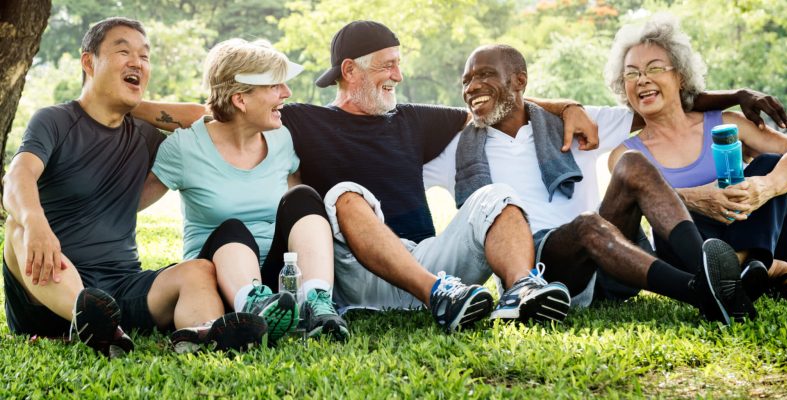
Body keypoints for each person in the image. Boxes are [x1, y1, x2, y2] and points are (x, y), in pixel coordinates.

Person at [133, 20, 615, 331]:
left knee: (497, 195)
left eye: (398, 65)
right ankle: (440, 299)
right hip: (356, 270)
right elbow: (219, 111)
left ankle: (521, 290)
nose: (398, 76)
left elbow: (487, 103)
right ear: (350, 71)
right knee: (342, 193)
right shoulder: (297, 120)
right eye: (388, 65)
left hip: (426, 259)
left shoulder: (413, 117)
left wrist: (565, 105)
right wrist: (122, 103)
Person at [423, 44, 768, 325]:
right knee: (587, 225)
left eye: (484, 75)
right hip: (546, 273)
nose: (471, 87)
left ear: (519, 81)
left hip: (612, 259)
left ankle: (706, 272)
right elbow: (399, 161)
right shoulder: (456, 149)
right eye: (466, 81)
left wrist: (736, 96)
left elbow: (666, 105)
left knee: (633, 164)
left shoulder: (570, 124)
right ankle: (708, 293)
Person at [1, 17, 268, 357]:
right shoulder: (55, 120)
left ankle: (200, 336)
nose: (137, 63)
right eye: (123, 51)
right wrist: (36, 222)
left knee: (198, 271)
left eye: (144, 57)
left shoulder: (144, 137)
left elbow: (217, 118)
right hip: (49, 286)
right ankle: (87, 317)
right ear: (88, 62)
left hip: (121, 288)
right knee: (17, 228)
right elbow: (18, 175)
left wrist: (133, 106)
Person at [138, 38, 349, 342]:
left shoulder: (281, 139)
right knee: (232, 228)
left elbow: (300, 220)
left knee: (305, 198)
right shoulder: (185, 148)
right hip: (220, 279)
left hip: (279, 286)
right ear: (240, 100)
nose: (286, 93)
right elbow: (127, 205)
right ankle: (253, 306)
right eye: (275, 85)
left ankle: (316, 304)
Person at [607, 14, 787, 302]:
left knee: (770, 163)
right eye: (631, 73)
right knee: (673, 218)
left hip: (762, 235)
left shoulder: (725, 122)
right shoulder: (625, 155)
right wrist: (695, 198)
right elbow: (636, 208)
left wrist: (765, 188)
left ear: (680, 75)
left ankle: (741, 266)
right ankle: (769, 271)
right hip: (696, 253)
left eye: (654, 68)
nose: (642, 79)